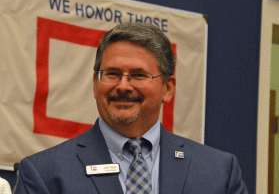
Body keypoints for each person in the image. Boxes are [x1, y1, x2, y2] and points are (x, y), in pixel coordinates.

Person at [15, 23, 248, 194]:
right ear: (95, 84)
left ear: (168, 88)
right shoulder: (43, 173)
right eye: (112, 74)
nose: (123, 86)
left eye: (138, 75)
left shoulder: (219, 172)